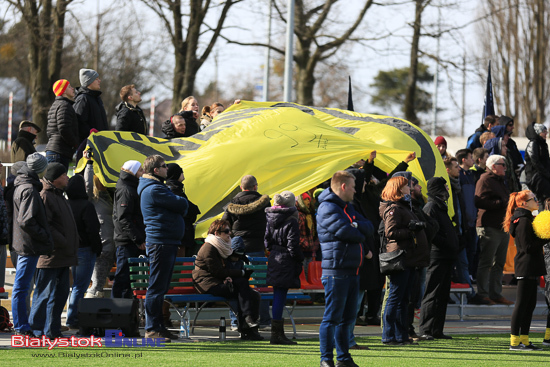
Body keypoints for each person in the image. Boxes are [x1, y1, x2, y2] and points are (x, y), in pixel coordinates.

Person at [317, 170, 373, 367]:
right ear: (343, 186)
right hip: (336, 271)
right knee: (332, 318)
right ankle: (326, 359)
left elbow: (368, 226)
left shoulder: (347, 208)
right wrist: (357, 228)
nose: (355, 190)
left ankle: (343, 358)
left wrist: (355, 225)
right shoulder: (327, 208)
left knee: (347, 319)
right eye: (353, 186)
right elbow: (347, 233)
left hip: (351, 270)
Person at [138, 155, 188, 343]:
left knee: (161, 287)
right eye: (164, 166)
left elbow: (182, 206)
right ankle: (152, 328)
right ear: (156, 170)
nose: (167, 169)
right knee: (157, 287)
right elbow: (182, 204)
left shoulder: (156, 187)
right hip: (161, 242)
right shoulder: (154, 189)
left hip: (166, 241)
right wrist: (179, 203)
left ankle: (159, 326)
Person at [29, 162, 78, 339]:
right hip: (51, 256)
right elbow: (46, 225)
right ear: (56, 178)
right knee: (43, 295)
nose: (67, 178)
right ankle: (35, 332)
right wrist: (63, 241)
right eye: (64, 174)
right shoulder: (46, 195)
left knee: (60, 296)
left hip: (63, 256)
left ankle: (52, 331)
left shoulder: (58, 195)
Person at [379, 176, 429, 346]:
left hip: (409, 258)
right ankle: (388, 335)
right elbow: (390, 233)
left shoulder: (403, 206)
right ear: (399, 189)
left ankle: (401, 335)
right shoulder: (394, 208)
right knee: (395, 297)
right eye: (407, 186)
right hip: (400, 258)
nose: (410, 188)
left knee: (403, 298)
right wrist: (411, 231)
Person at [193, 219, 262, 340]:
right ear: (216, 233)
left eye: (229, 230)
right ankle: (247, 322)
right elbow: (217, 271)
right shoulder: (209, 247)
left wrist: (229, 276)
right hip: (208, 284)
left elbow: (221, 270)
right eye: (226, 231)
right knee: (243, 286)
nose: (229, 233)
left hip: (219, 281)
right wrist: (240, 273)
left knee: (253, 294)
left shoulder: (222, 246)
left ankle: (250, 328)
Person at [222, 174, 272, 329]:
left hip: (237, 251)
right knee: (259, 286)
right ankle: (262, 320)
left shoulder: (233, 203)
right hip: (257, 247)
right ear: (255, 186)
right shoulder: (264, 203)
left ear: (240, 187)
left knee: (236, 285)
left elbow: (223, 225)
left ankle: (237, 321)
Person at [11, 153, 52, 336]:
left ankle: (23, 325)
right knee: (22, 287)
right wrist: (44, 235)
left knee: (22, 287)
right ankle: (21, 327)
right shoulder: (29, 189)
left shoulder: (23, 185)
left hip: (25, 243)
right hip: (28, 245)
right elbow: (26, 221)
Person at [504, 190, 546, 351]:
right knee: (521, 305)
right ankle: (514, 342)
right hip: (525, 265)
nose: (536, 201)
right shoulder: (522, 221)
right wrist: (545, 238)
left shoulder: (527, 219)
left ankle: (524, 340)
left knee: (530, 305)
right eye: (533, 199)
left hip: (531, 265)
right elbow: (527, 247)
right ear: (524, 203)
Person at [418, 177, 459, 340]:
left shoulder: (440, 207)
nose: (448, 190)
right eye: (445, 187)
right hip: (437, 255)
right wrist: (446, 243)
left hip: (446, 255)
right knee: (432, 293)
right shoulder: (432, 206)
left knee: (442, 294)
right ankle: (426, 329)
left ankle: (436, 329)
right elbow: (430, 232)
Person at [265, 191, 304, 345]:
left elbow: (267, 241)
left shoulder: (270, 218)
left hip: (274, 257)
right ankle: (277, 335)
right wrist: (299, 258)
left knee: (277, 296)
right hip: (286, 259)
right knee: (280, 296)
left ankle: (277, 334)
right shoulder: (291, 220)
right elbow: (292, 245)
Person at [475, 154, 513, 305]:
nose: (505, 167)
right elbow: (478, 200)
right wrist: (501, 202)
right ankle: (483, 294)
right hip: (489, 226)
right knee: (486, 262)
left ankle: (495, 294)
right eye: (502, 164)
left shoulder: (500, 180)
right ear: (493, 166)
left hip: (501, 226)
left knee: (499, 263)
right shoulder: (485, 179)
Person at [65, 174, 101, 329]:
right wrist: (97, 248)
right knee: (81, 285)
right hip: (85, 248)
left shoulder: (66, 204)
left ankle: (70, 316)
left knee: (74, 286)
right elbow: (93, 229)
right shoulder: (86, 206)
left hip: (69, 248)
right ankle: (72, 318)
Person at [456, 149, 489, 304]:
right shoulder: (459, 177)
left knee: (472, 252)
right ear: (463, 160)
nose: (472, 160)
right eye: (470, 158)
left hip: (472, 222)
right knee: (465, 257)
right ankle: (467, 290)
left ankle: (468, 282)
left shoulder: (470, 175)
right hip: (464, 224)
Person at [112, 160, 146, 299]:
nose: (143, 173)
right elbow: (124, 218)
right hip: (127, 241)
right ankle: (116, 311)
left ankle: (125, 312)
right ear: (133, 172)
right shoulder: (126, 190)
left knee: (128, 279)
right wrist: (138, 239)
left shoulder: (130, 186)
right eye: (140, 170)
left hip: (130, 239)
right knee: (123, 278)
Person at [83, 154, 115, 299]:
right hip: (102, 245)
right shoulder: (93, 199)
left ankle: (94, 303)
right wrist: (89, 164)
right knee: (96, 283)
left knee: (100, 281)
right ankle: (90, 306)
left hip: (110, 244)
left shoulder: (108, 197)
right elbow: (87, 185)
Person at [165, 163, 201, 256]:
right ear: (176, 174)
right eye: (181, 172)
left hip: (181, 234)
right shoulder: (174, 190)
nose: (183, 175)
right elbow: (189, 208)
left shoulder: (174, 189)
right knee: (178, 265)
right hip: (180, 235)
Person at [45, 79, 79, 169]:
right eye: (69, 86)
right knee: (58, 182)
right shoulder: (64, 105)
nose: (72, 88)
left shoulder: (55, 105)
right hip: (59, 152)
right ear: (63, 91)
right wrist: (75, 143)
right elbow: (64, 128)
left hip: (54, 150)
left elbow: (49, 131)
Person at [74, 68, 108, 143]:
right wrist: (92, 135)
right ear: (89, 82)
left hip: (101, 143)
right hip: (89, 144)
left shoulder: (97, 98)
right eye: (96, 79)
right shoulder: (83, 99)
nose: (99, 81)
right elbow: (79, 123)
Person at [524, 122, 550, 202]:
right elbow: (535, 162)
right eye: (544, 132)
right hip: (536, 177)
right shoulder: (533, 144)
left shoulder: (542, 144)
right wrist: (546, 173)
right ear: (538, 132)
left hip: (543, 176)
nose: (546, 133)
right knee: (543, 199)